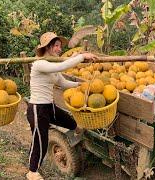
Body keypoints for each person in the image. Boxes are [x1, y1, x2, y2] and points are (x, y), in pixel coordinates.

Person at [26, 32, 97, 180]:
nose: (59, 49)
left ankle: (77, 131)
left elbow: (63, 83)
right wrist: (82, 57)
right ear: (48, 47)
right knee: (41, 140)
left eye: (60, 46)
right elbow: (64, 65)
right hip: (37, 108)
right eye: (56, 46)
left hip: (48, 106)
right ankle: (32, 171)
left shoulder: (51, 66)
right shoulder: (39, 63)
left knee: (70, 121)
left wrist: (81, 85)